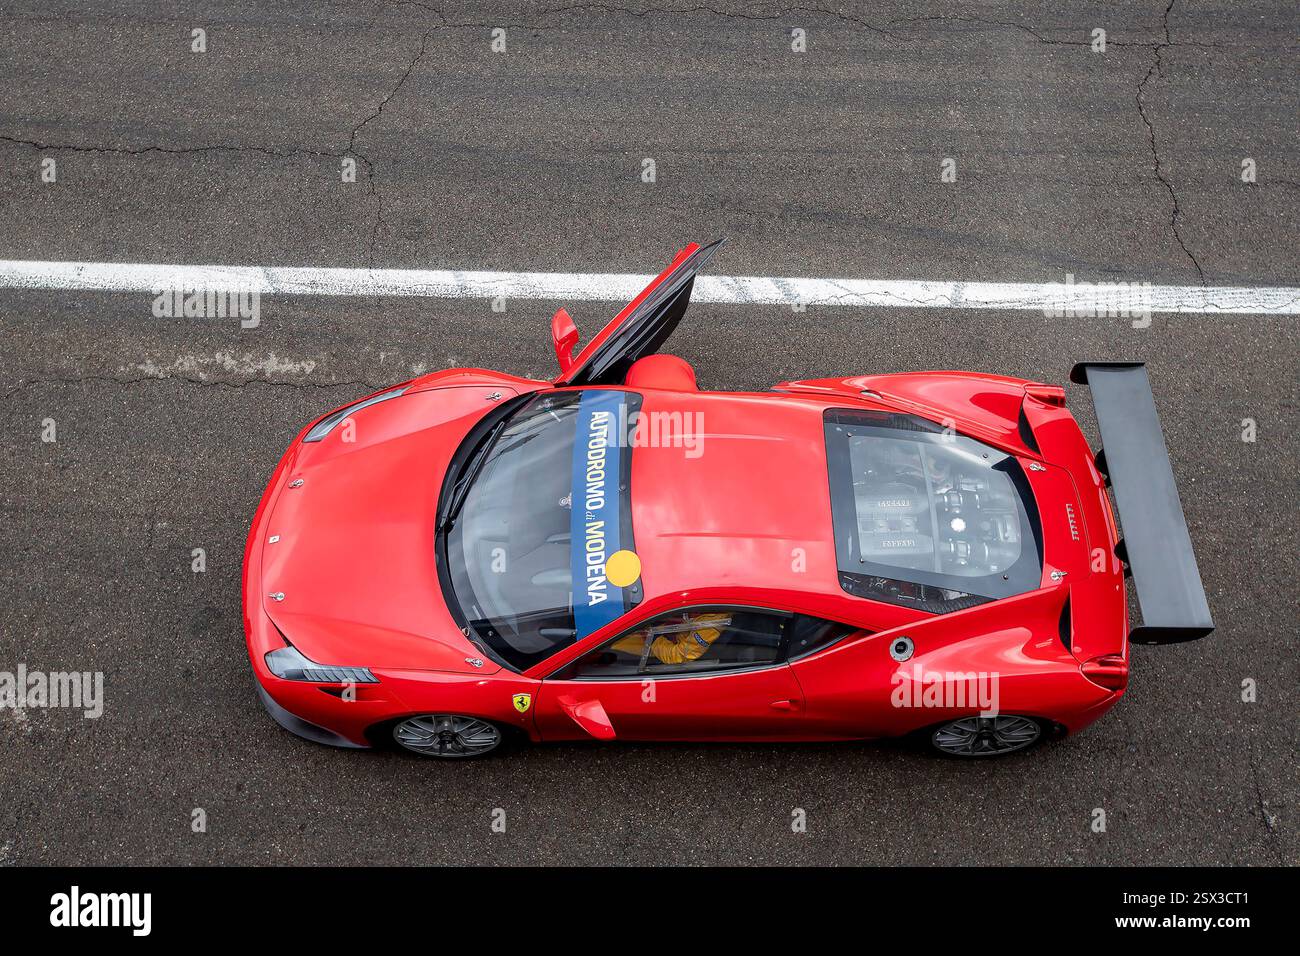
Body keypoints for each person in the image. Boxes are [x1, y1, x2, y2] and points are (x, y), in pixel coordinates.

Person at [611, 612, 731, 666]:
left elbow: (678, 655)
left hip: (643, 639)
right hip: (646, 613)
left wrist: (653, 637)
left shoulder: (711, 626)